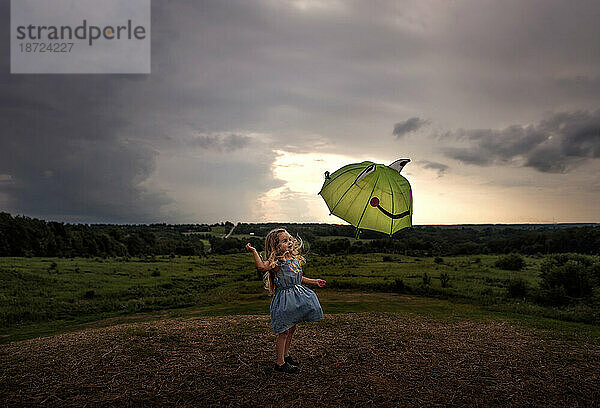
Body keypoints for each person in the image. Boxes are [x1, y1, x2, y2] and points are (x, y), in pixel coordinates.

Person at [246, 228, 326, 374]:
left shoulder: (293, 259)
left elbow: (298, 278)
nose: (289, 242)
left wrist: (314, 281)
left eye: (290, 239)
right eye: (284, 241)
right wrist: (253, 251)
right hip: (284, 301)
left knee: (292, 328)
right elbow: (261, 267)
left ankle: (286, 355)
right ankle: (280, 363)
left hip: (295, 298)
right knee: (283, 332)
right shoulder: (277, 263)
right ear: (276, 246)